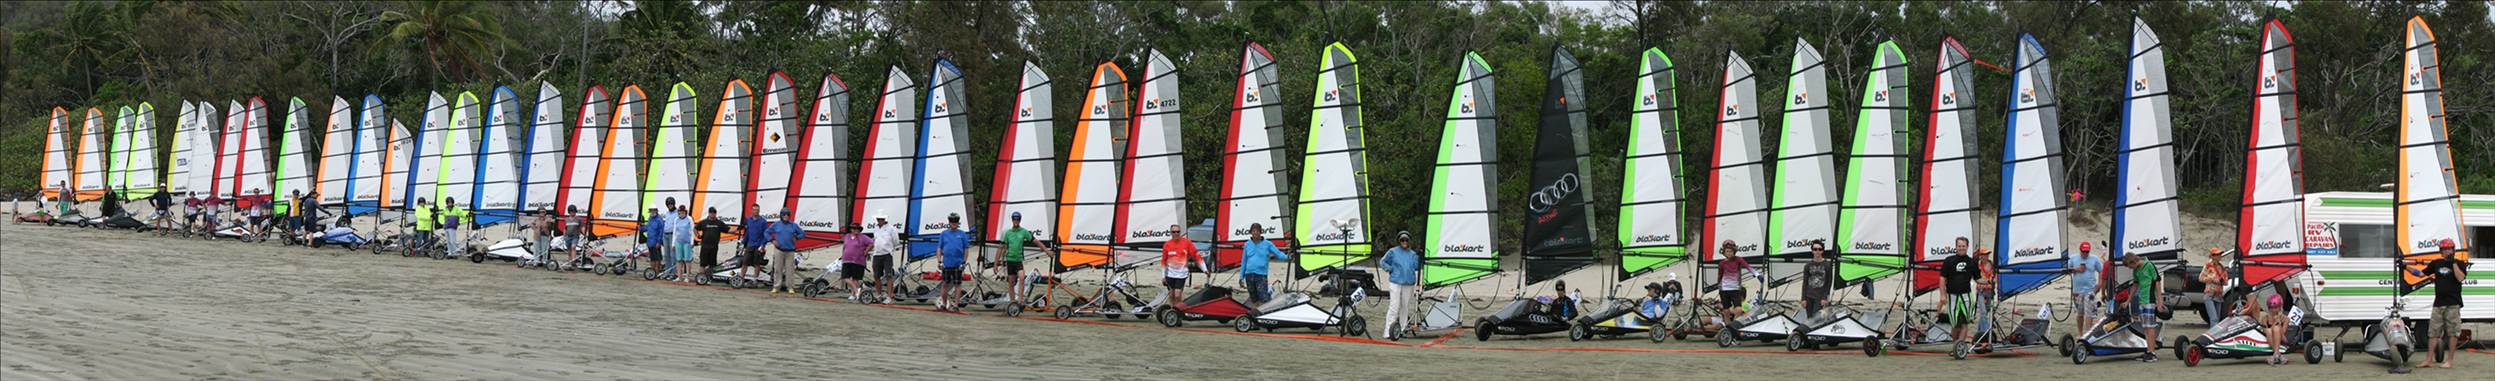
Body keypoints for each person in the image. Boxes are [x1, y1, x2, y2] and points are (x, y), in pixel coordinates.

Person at [2406, 239, 2468, 369]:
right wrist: (2405, 266)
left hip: (2453, 303)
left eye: (2449, 248)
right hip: (2438, 303)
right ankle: (2428, 360)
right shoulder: (2436, 263)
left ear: (2453, 250)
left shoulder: (2460, 263)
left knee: (2452, 333)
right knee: (2433, 332)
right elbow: (2420, 274)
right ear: (2441, 251)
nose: (2447, 251)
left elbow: (2460, 278)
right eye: (2444, 249)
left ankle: (2449, 361)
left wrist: (2453, 263)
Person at [995, 212, 1047, 309]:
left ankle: (1019, 302)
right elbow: (1000, 248)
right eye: (1014, 219)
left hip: (1018, 260)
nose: (1016, 221)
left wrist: (1046, 250)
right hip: (1009, 260)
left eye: (1018, 219)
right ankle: (1012, 302)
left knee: (1022, 278)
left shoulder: (1023, 232)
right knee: (1011, 282)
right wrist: (995, 264)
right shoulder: (1008, 233)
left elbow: (1036, 241)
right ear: (1012, 220)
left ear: (1020, 220)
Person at [1939, 237, 1980, 349]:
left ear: (1967, 247)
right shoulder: (1949, 260)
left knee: (1964, 322)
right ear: (1956, 247)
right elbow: (1942, 278)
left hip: (1966, 296)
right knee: (1955, 324)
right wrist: (1942, 295)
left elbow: (1978, 279)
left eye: (1963, 246)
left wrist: (1990, 281)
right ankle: (1955, 346)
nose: (1961, 248)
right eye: (1959, 246)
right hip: (1952, 296)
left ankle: (1960, 347)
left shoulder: (1972, 262)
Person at [1380, 231, 1420, 339]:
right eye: (1402, 240)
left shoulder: (1413, 254)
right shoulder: (1392, 251)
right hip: (1395, 282)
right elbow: (1383, 262)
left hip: (1408, 283)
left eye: (1406, 240)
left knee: (1405, 307)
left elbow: (1417, 266)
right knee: (1394, 306)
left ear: (1409, 241)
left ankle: (1402, 329)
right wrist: (1390, 269)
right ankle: (1388, 331)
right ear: (1399, 241)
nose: (1404, 242)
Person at [1238, 223, 1291, 304]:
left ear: (1260, 232)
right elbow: (1244, 261)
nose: (1255, 233)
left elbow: (1279, 254)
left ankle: (1265, 311)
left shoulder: (1267, 244)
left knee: (1263, 297)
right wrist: (1241, 277)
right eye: (1253, 231)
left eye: (1257, 231)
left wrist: (1288, 257)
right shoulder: (1247, 244)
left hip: (1261, 275)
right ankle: (1256, 313)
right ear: (1251, 232)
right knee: (1254, 298)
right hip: (1249, 275)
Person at [2129, 253, 2165, 362]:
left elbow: (2158, 283)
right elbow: (2135, 285)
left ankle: (2152, 353)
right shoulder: (2136, 270)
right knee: (2145, 327)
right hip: (2142, 300)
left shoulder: (2149, 265)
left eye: (2130, 266)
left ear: (2133, 262)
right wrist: (2128, 300)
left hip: (2150, 300)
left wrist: (2160, 302)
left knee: (2150, 327)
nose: (2131, 269)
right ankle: (2148, 350)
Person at [934, 214, 973, 310]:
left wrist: (964, 262)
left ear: (957, 223)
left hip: (958, 263)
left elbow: (966, 249)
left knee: (958, 284)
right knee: (945, 284)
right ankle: (943, 303)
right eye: (952, 222)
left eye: (955, 222)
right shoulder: (944, 234)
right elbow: (939, 248)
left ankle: (956, 305)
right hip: (946, 263)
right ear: (949, 223)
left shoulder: (962, 234)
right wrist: (939, 261)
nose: (954, 224)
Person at [1159, 224, 1201, 307]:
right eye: (1174, 232)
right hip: (1170, 274)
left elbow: (1196, 256)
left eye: (1178, 232)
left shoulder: (1187, 242)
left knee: (1177, 294)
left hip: (1181, 274)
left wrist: (1205, 269)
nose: (1176, 234)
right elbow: (1163, 261)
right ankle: (1172, 310)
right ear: (1171, 233)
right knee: (1171, 295)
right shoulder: (1167, 244)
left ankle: (1179, 310)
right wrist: (1163, 276)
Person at [2065, 241, 2103, 334]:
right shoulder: (2073, 258)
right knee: (2079, 313)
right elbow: (2066, 270)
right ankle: (2080, 333)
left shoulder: (2094, 259)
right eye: (2083, 251)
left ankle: (2088, 334)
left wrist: (2100, 284)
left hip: (2090, 290)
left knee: (2089, 313)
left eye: (2087, 252)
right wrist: (2077, 269)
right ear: (2080, 250)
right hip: (2077, 291)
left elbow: (2101, 271)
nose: (2085, 253)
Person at [866, 213, 903, 303]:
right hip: (877, 254)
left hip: (887, 254)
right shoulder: (876, 229)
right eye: (878, 219)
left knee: (888, 275)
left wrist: (889, 248)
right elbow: (874, 240)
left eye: (881, 219)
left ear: (885, 219)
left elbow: (896, 241)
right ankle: (879, 295)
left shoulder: (891, 228)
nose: (879, 221)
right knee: (876, 276)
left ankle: (889, 296)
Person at [1715, 240, 1753, 327]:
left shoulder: (1738, 260)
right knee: (1726, 310)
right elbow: (1720, 276)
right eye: (1727, 251)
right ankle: (1728, 327)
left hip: (1735, 288)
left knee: (1738, 309)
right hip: (1724, 289)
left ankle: (1734, 326)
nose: (1729, 253)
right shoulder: (1722, 263)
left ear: (1734, 251)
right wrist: (1719, 286)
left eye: (1731, 251)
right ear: (1724, 252)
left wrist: (1757, 275)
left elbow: (1748, 267)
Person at [768, 209, 802, 294]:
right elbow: (766, 233)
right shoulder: (776, 225)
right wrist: (772, 240)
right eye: (784, 214)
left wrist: (797, 237)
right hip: (779, 250)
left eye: (787, 214)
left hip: (790, 251)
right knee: (777, 269)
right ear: (781, 215)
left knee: (790, 270)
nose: (786, 216)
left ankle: (790, 287)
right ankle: (776, 287)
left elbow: (803, 233)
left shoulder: (793, 225)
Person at [1800, 240, 1834, 320]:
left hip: (1820, 297)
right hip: (1809, 296)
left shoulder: (1827, 265)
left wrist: (1825, 297)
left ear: (1822, 251)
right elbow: (1805, 283)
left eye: (1819, 249)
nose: (1817, 251)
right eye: (1815, 249)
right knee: (1809, 318)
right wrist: (1803, 299)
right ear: (1812, 251)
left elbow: (1829, 283)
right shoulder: (1807, 266)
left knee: (1817, 318)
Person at [1972, 248, 1999, 350]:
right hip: (1981, 292)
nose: (1986, 256)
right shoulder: (1977, 266)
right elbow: (1975, 277)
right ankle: (1986, 335)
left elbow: (1996, 277)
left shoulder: (1993, 265)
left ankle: (1979, 334)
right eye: (1984, 254)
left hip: (1990, 292)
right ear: (1980, 256)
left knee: (1986, 313)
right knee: (1983, 313)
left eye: (1987, 254)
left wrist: (1992, 282)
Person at [840, 224, 874, 301]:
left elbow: (871, 243)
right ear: (851, 229)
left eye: (858, 229)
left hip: (858, 260)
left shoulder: (863, 237)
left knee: (855, 279)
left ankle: (853, 294)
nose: (856, 230)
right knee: (845, 277)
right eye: (854, 228)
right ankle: (857, 291)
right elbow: (845, 246)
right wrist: (843, 255)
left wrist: (866, 251)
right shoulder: (847, 236)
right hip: (847, 259)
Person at [740, 206, 773, 284]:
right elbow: (747, 233)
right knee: (744, 262)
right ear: (751, 210)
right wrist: (743, 243)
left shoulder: (763, 221)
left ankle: (755, 279)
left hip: (758, 246)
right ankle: (741, 278)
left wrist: (763, 245)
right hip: (750, 245)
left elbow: (766, 234)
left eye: (757, 210)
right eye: (754, 210)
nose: (756, 211)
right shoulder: (748, 220)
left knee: (756, 263)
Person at [2201, 247, 2232, 325]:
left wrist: (2222, 280)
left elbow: (2226, 282)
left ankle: (2214, 334)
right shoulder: (2208, 266)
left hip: (2218, 295)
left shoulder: (2222, 267)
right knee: (2214, 318)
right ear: (2212, 256)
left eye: (2220, 254)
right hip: (2209, 294)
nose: (2219, 256)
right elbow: (2201, 278)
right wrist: (2212, 279)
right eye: (2217, 254)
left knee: (2217, 318)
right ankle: (2213, 336)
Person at [695, 208, 729, 276]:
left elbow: (728, 230)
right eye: (711, 213)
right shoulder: (704, 222)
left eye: (714, 213)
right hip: (705, 246)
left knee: (712, 264)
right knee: (703, 264)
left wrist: (738, 230)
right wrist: (698, 236)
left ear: (716, 214)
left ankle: (710, 277)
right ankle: (701, 277)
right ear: (709, 213)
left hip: (714, 246)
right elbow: (695, 228)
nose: (712, 214)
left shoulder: (719, 223)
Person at [668, 201, 695, 282]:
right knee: (678, 259)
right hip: (678, 242)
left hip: (687, 242)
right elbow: (675, 232)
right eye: (680, 212)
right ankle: (679, 276)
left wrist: (692, 242)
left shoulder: (689, 219)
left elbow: (692, 231)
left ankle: (687, 277)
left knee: (687, 260)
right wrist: (673, 244)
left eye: (683, 212)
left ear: (685, 212)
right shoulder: (676, 219)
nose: (681, 214)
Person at [639, 208, 667, 274]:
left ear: (656, 211)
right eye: (651, 211)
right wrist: (641, 228)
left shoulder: (659, 220)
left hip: (656, 242)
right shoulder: (650, 219)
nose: (652, 212)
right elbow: (648, 227)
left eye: (654, 210)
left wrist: (659, 242)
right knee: (652, 257)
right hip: (650, 242)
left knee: (657, 257)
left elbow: (661, 231)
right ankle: (652, 270)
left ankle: (657, 271)